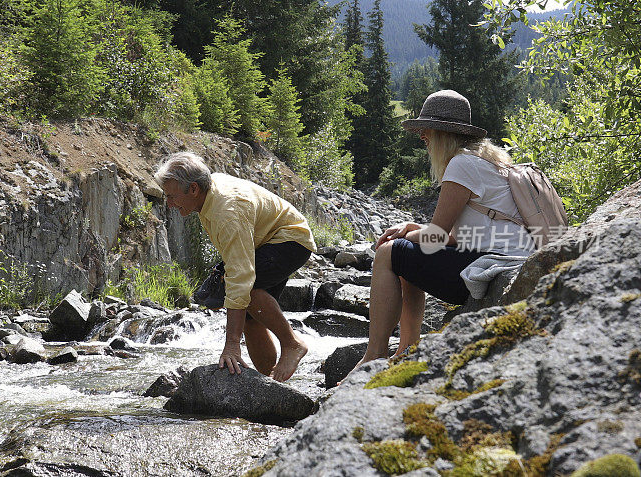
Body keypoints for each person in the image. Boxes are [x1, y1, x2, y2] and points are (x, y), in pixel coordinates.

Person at [355, 89, 536, 367]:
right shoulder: (487, 160)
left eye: (426, 130)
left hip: (494, 265)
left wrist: (406, 233)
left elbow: (435, 238)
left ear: (443, 132)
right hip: (513, 258)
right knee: (407, 255)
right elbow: (456, 236)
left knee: (390, 252)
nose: (421, 136)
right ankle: (405, 349)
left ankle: (375, 354)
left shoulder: (461, 164)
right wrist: (415, 229)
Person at [154, 152, 317, 382]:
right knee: (249, 315)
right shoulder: (207, 195)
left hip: (290, 239)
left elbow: (240, 277)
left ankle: (292, 344)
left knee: (247, 292)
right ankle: (270, 384)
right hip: (266, 239)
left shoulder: (227, 211)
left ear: (193, 189)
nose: (169, 204)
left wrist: (231, 346)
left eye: (171, 196)